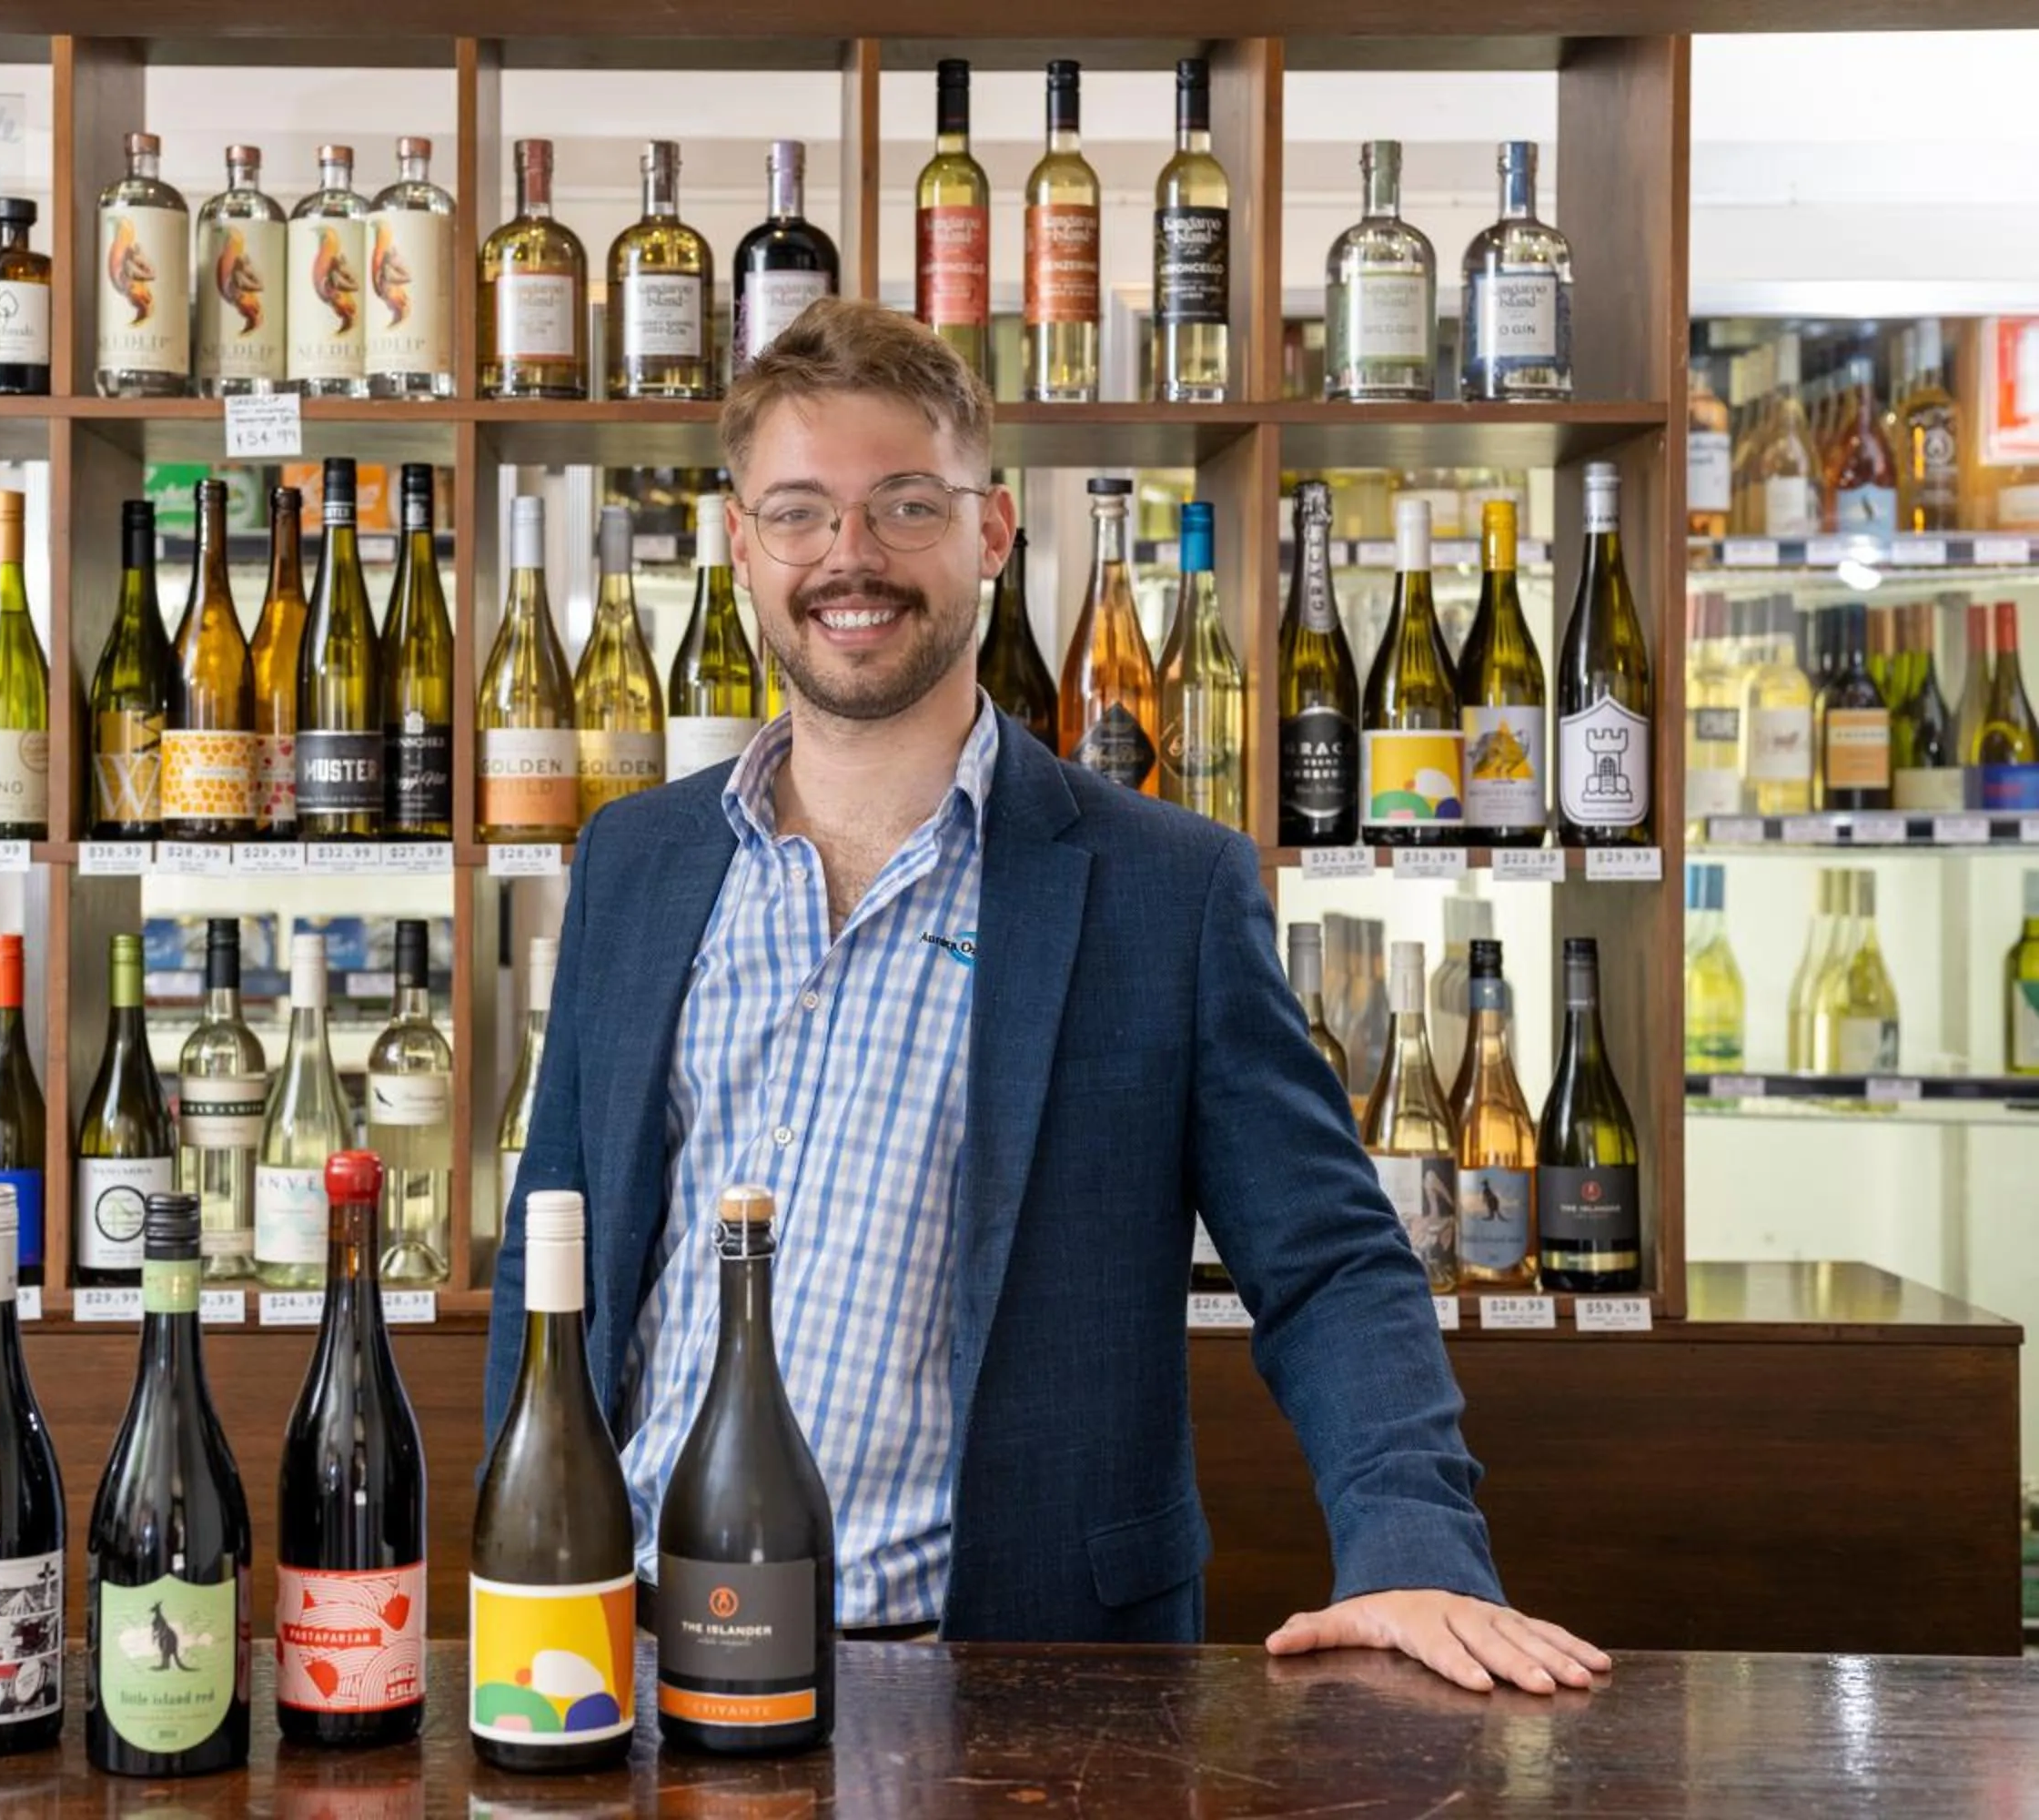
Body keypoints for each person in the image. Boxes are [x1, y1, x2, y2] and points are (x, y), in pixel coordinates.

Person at [485, 298, 1607, 1697]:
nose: (851, 558)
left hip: (1010, 1685)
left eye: (906, 506)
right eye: (799, 513)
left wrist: (1412, 1544)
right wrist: (522, 1576)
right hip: (626, 1664)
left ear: (992, 534)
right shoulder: (633, 863)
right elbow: (556, 1254)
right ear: (740, 544)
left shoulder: (1164, 891)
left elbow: (1330, 1261)